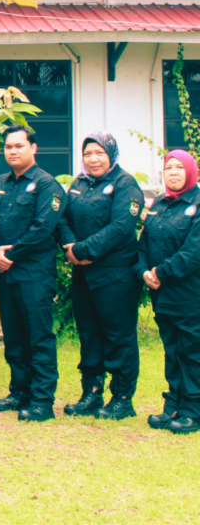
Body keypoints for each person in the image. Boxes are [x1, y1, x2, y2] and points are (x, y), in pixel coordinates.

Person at [58, 132, 144, 421]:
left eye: (99, 153)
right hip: (84, 274)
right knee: (89, 335)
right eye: (87, 154)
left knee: (118, 336)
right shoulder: (79, 183)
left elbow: (121, 227)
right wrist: (70, 246)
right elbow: (63, 219)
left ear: (111, 154)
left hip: (116, 275)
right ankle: (91, 394)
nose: (92, 159)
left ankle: (122, 398)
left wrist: (83, 250)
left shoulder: (125, 184)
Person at [0, 124, 66, 422]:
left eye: (19, 145)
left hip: (35, 274)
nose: (13, 151)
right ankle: (19, 392)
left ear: (33, 148)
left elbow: (42, 229)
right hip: (6, 273)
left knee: (38, 337)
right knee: (15, 336)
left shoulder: (47, 185)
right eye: (8, 147)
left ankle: (42, 401)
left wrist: (9, 254)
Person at [137, 150, 200, 434]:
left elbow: (192, 253)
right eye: (168, 167)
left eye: (179, 168)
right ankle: (173, 405)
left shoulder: (197, 204)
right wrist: (144, 271)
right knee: (172, 351)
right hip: (162, 296)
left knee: (192, 352)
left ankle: (192, 410)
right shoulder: (160, 203)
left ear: (191, 171)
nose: (173, 172)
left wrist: (160, 273)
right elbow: (143, 244)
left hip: (190, 295)